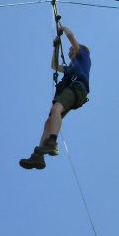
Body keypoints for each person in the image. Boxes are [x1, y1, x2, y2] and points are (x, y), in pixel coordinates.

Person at [20, 25, 90, 170]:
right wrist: (56, 47)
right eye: (69, 49)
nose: (70, 50)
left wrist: (62, 28)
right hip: (74, 92)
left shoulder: (83, 57)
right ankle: (38, 156)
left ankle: (52, 142)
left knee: (56, 108)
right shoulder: (70, 68)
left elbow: (70, 36)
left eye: (72, 49)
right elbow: (54, 65)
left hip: (77, 88)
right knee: (50, 119)